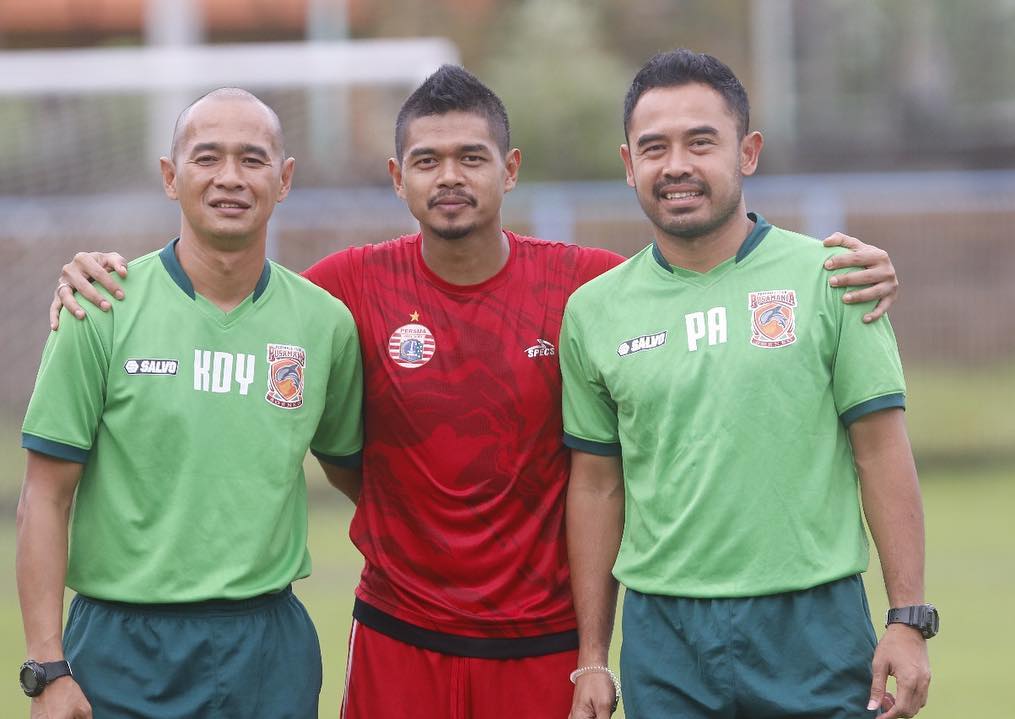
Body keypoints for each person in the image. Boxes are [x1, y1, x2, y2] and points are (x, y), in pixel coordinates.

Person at [48, 66, 902, 719]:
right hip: (398, 634)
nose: (449, 176)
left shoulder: (590, 291)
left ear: (511, 167)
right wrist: (93, 278)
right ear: (396, 176)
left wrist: (857, 270)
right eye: (427, 160)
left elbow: (691, 290)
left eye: (470, 157)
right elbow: (234, 303)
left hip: (549, 641)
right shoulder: (339, 292)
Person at [561, 49, 934, 719]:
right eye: (655, 147)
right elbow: (595, 483)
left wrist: (907, 618)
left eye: (701, 142)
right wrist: (593, 652)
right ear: (628, 165)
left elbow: (881, 450)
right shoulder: (593, 310)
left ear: (748, 151)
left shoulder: (833, 277)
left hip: (811, 623)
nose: (676, 164)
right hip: (665, 635)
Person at [17, 88, 364, 719]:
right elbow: (44, 496)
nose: (230, 177)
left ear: (283, 180)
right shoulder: (99, 308)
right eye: (207, 158)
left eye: (252, 160)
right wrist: (46, 667)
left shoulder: (325, 325)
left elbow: (360, 476)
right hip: (120, 647)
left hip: (267, 646)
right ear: (170, 177)